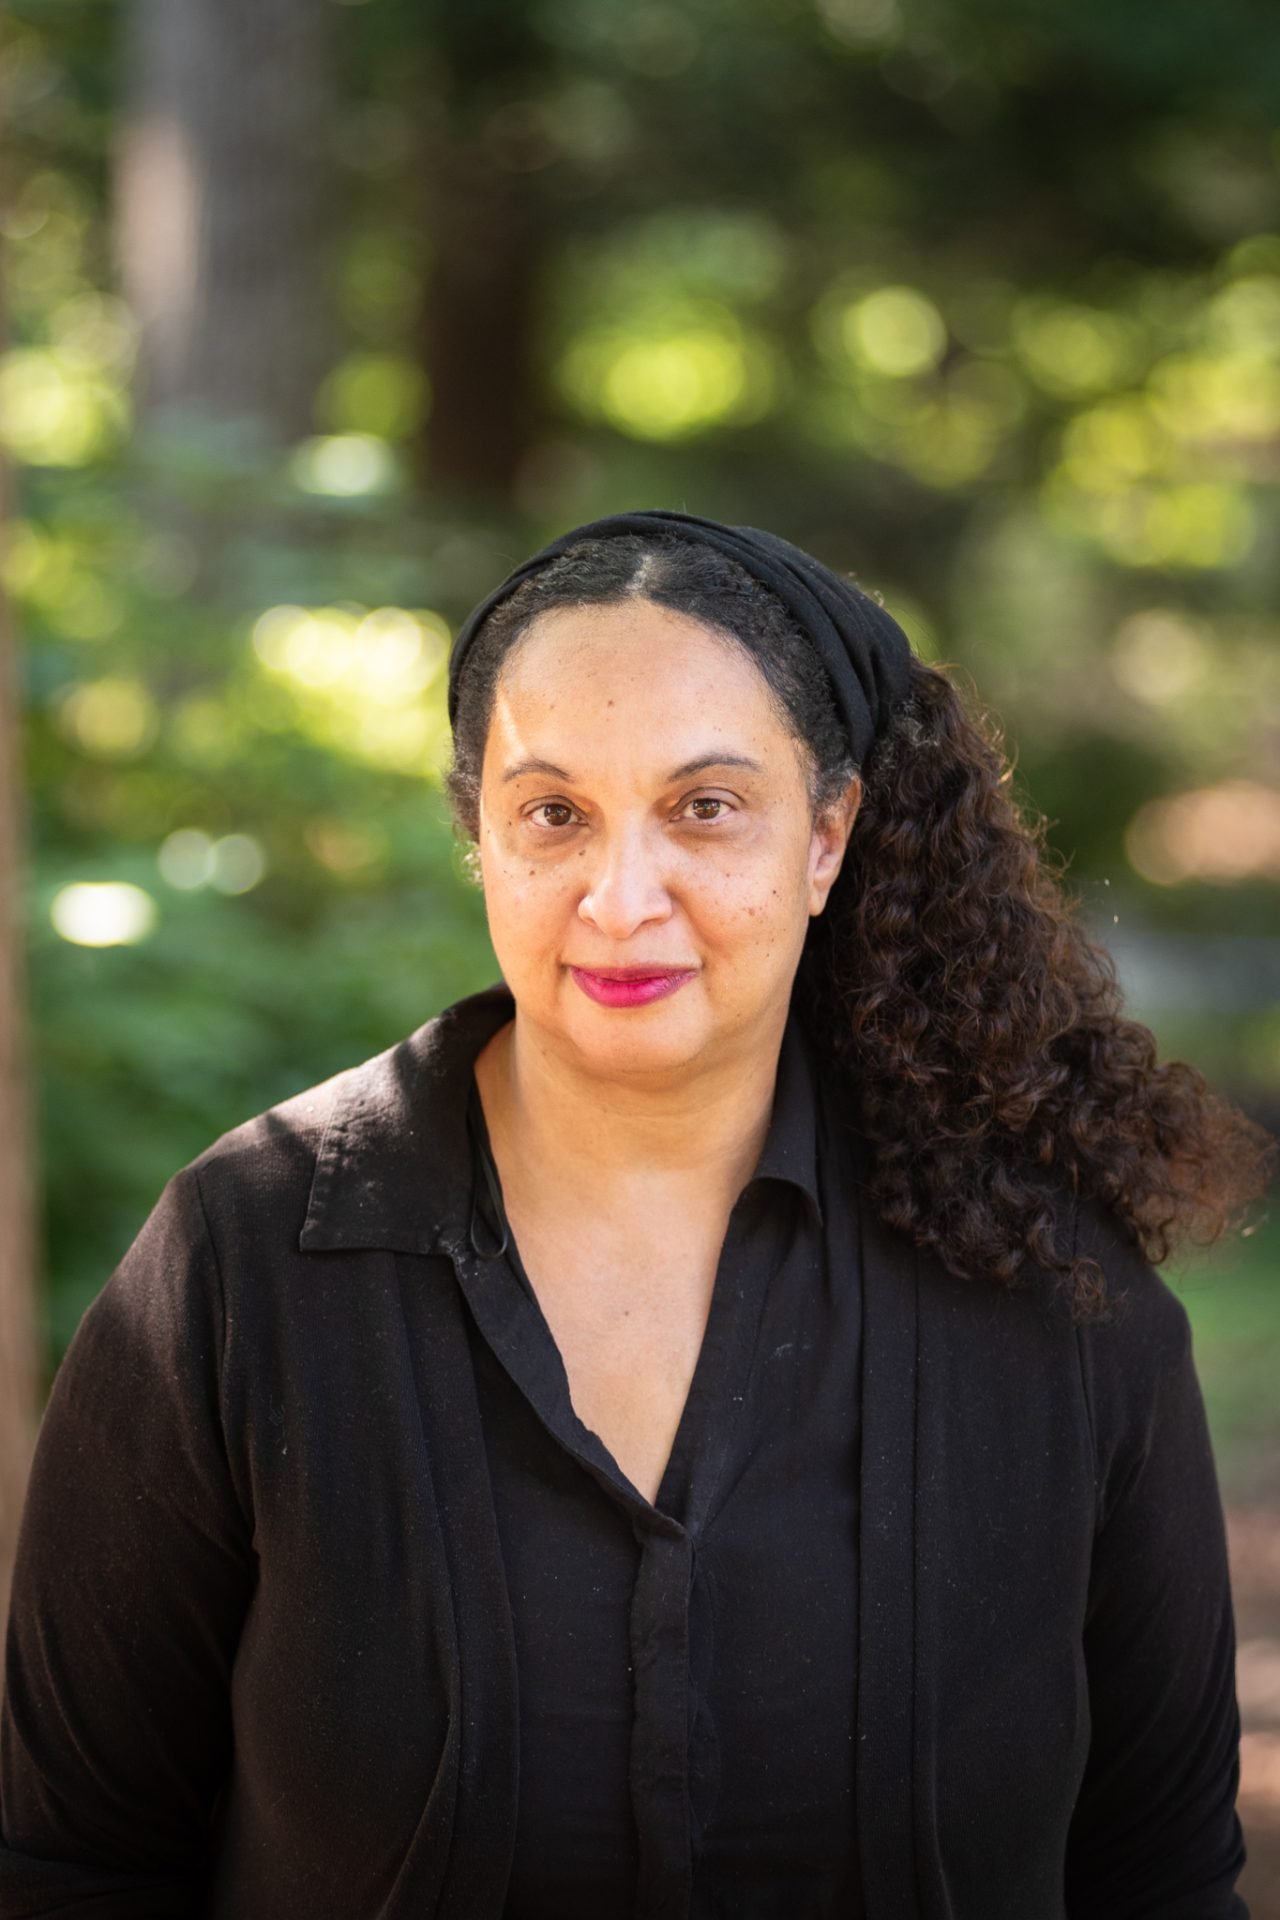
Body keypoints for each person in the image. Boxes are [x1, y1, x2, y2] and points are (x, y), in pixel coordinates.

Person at [0, 508, 1273, 1920]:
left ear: (827, 839)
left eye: (705, 806)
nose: (620, 899)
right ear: (480, 834)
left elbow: (1163, 1884)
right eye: (554, 813)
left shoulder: (1059, 1306)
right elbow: (72, 1866)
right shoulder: (239, 1263)